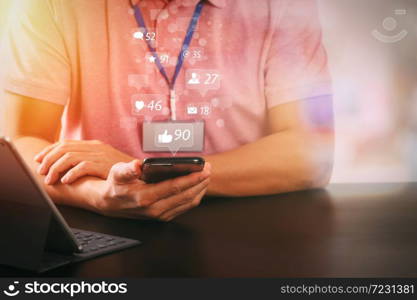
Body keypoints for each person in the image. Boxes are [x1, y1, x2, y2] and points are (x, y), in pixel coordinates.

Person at [1, 0, 334, 221]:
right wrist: (98, 194)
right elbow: (20, 145)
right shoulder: (47, 4)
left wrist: (145, 170)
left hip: (251, 223)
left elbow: (311, 153)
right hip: (102, 229)